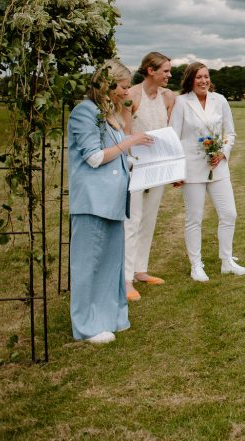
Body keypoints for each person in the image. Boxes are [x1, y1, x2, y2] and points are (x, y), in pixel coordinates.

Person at [67, 60, 153, 344]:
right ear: (108, 85)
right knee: (88, 264)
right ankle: (87, 326)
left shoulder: (109, 115)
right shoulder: (85, 113)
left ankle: (110, 316)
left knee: (109, 265)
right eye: (124, 87)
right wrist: (129, 142)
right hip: (92, 200)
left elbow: (118, 156)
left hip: (113, 200)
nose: (128, 92)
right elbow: (93, 157)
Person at [170, 62, 245, 280]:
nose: (204, 81)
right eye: (198, 77)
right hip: (191, 168)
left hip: (218, 166)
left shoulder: (220, 100)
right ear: (190, 80)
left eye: (206, 76)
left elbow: (230, 133)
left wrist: (223, 152)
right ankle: (196, 265)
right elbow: (174, 138)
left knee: (229, 214)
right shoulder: (181, 102)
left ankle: (227, 261)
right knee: (194, 217)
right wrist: (176, 171)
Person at [122, 52, 175, 302]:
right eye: (165, 70)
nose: (169, 75)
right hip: (135, 166)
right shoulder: (131, 95)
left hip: (159, 167)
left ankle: (141, 270)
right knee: (132, 221)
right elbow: (123, 133)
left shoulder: (168, 97)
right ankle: (126, 279)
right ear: (150, 71)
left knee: (150, 219)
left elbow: (169, 133)